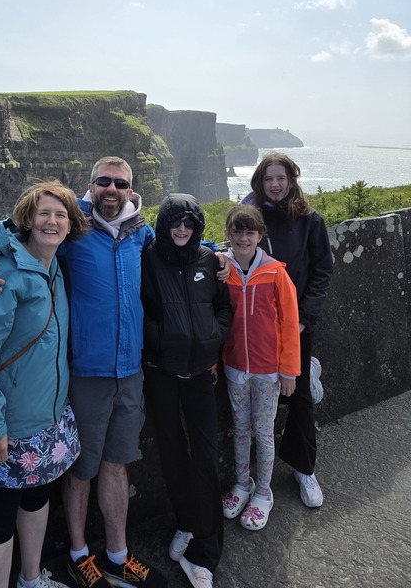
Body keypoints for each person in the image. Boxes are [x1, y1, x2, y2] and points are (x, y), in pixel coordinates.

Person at [0, 158, 167, 588]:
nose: (112, 188)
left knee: (108, 467)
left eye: (121, 182)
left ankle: (113, 556)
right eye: (103, 181)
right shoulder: (73, 235)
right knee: (76, 472)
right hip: (73, 382)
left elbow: (185, 244)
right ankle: (76, 555)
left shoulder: (141, 234)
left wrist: (221, 256)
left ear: (132, 189)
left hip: (117, 378)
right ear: (91, 187)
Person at [0, 181, 88, 588]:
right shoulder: (1, 276)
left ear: (69, 226)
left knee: (36, 499)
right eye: (44, 213)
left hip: (46, 419)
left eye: (61, 215)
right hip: (6, 425)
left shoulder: (53, 266)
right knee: (0, 515)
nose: (52, 221)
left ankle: (32, 580)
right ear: (27, 220)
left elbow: (118, 207)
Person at [220, 152, 333, 508]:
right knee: (252, 415)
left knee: (297, 396)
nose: (275, 185)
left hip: (295, 322)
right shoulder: (253, 215)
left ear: (292, 179)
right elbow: (235, 244)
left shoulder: (310, 220)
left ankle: (304, 467)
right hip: (253, 332)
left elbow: (322, 271)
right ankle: (245, 480)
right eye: (268, 179)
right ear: (259, 181)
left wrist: (303, 317)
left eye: (281, 178)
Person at [141, 194, 232, 588]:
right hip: (161, 373)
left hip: (200, 375)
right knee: (172, 455)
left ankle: (205, 554)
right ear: (164, 224)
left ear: (197, 228)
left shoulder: (211, 262)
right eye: (175, 222)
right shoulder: (147, 258)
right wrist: (160, 338)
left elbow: (224, 309)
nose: (182, 229)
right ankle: (186, 523)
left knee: (205, 458)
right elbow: (139, 309)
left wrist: (215, 337)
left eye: (190, 223)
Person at [220, 204, 300, 530]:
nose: (243, 237)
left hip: (269, 371)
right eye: (236, 231)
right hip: (235, 367)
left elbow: (291, 323)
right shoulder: (222, 270)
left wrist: (289, 371)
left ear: (259, 235)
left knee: (264, 433)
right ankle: (243, 484)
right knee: (240, 430)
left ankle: (264, 492)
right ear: (228, 234)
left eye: (249, 231)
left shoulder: (276, 273)